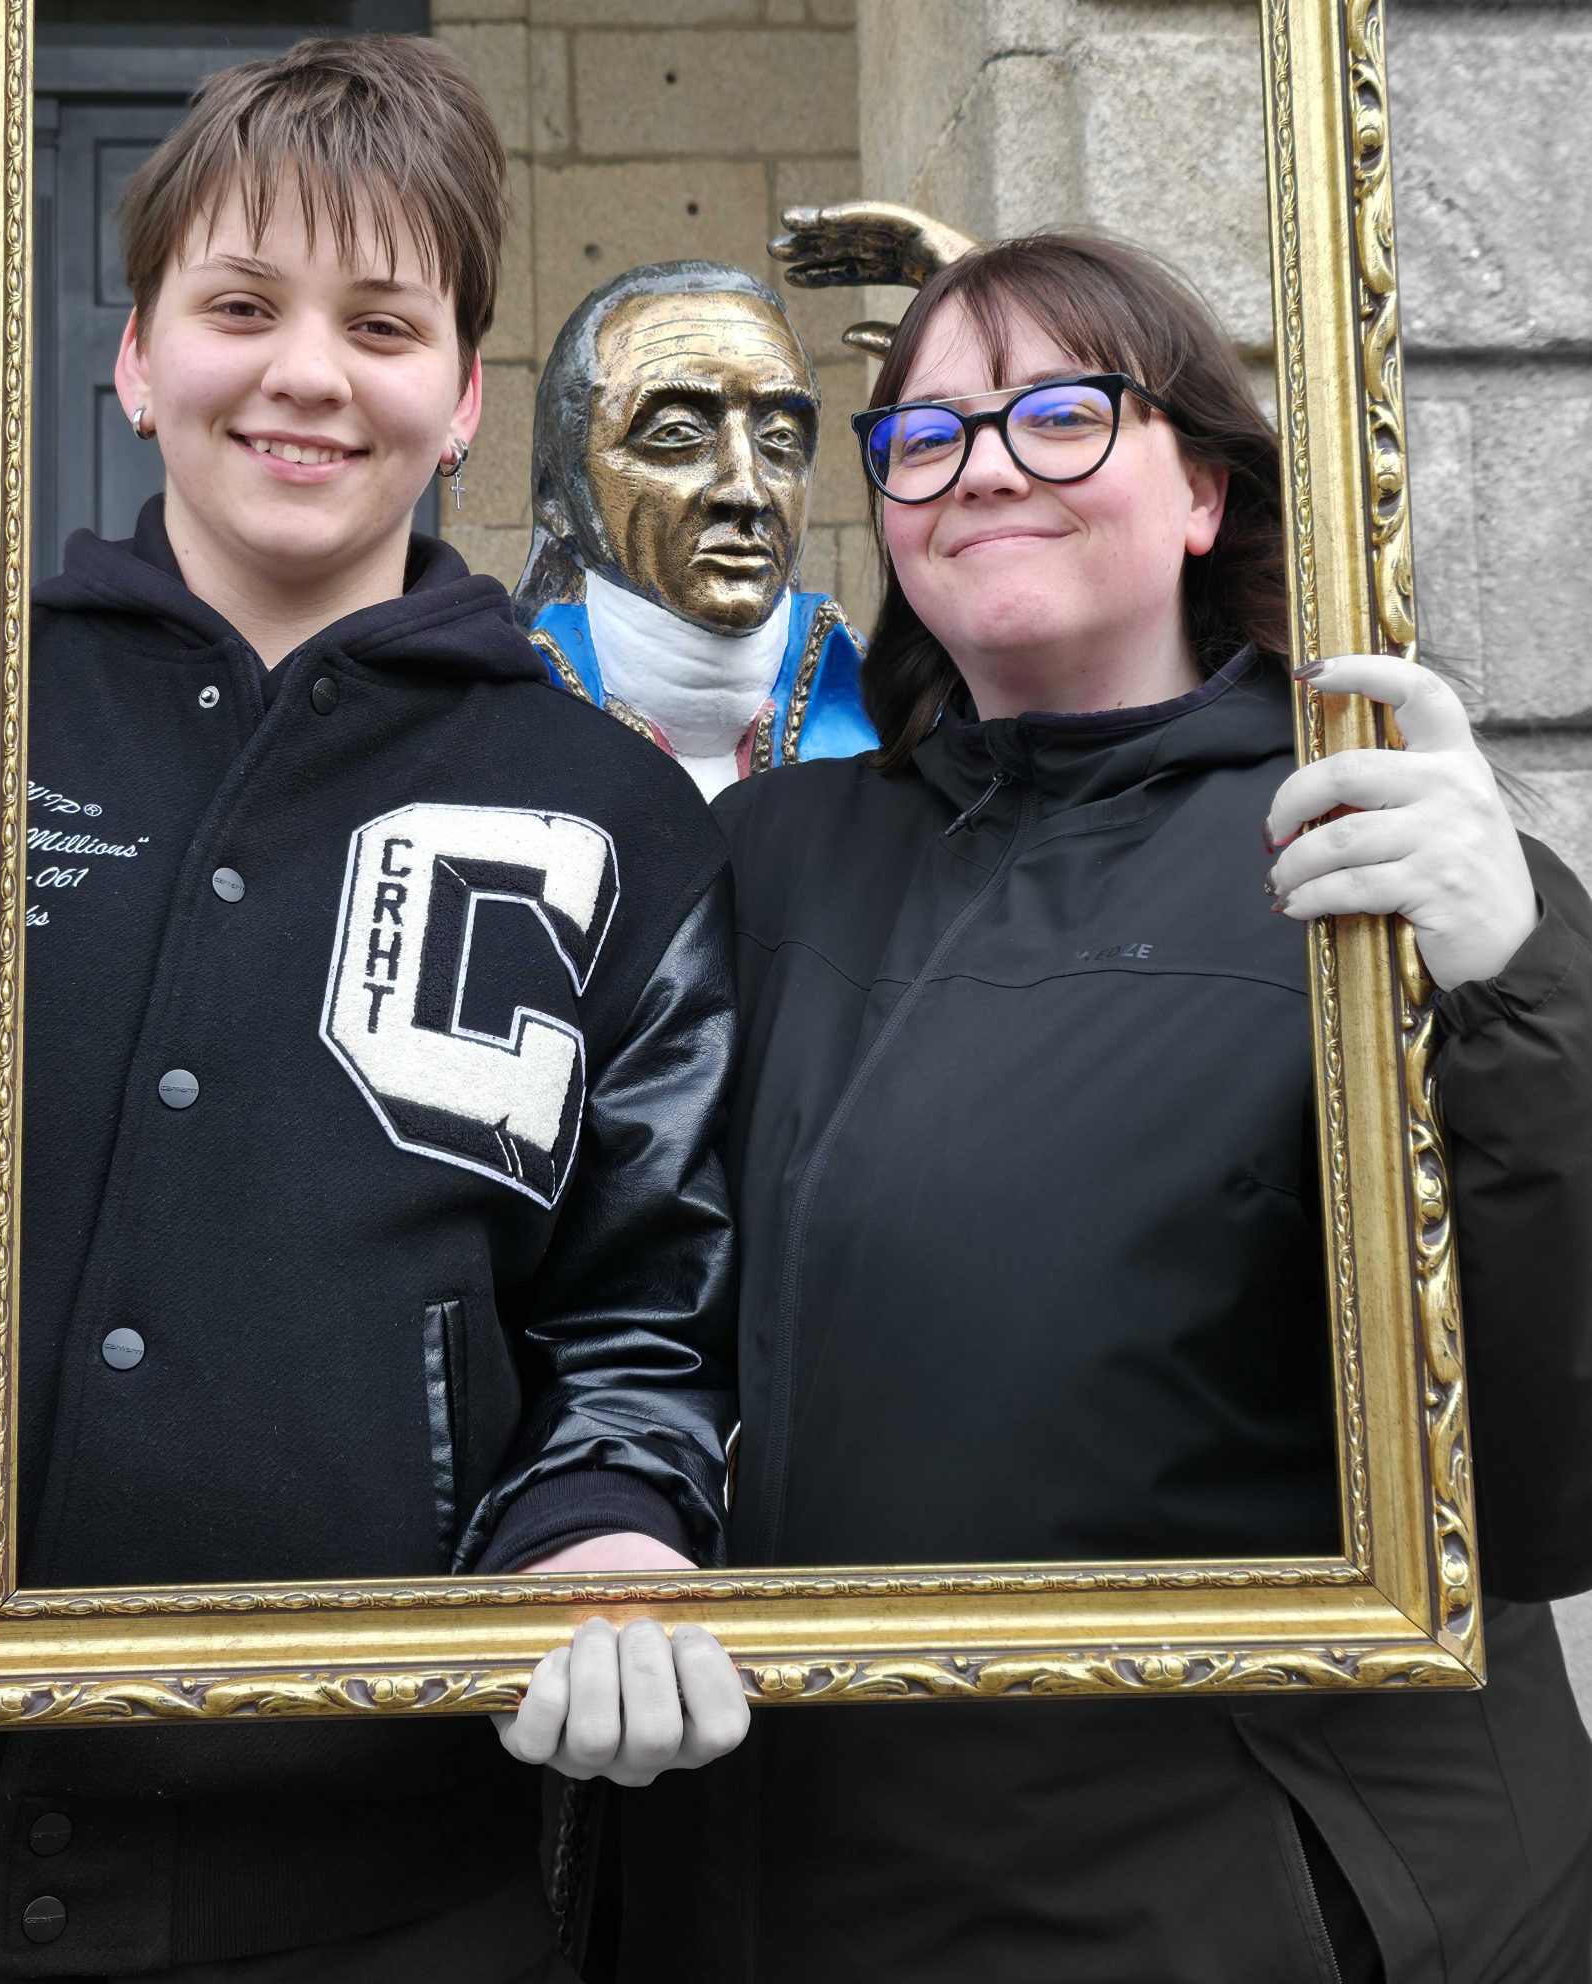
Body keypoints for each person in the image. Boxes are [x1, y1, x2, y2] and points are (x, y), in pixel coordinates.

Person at [0, 36, 746, 1981]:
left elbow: (645, 1304)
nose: (306, 372)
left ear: (462, 398)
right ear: (135, 358)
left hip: (375, 1881)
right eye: (238, 306)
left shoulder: (615, 818)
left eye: (381, 323)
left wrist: (615, 1524)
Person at [620, 232, 1592, 1983]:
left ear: (1202, 493)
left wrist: (1513, 991)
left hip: (1251, 1902)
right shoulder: (770, 861)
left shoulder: (1377, 864)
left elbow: (1546, 1481)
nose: (984, 467)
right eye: (924, 435)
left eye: (1061, 414)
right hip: (806, 1890)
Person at [514, 261, 875, 798]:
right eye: (677, 433)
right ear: (558, 495)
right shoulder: (499, 731)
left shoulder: (898, 720)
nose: (746, 491)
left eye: (780, 437)